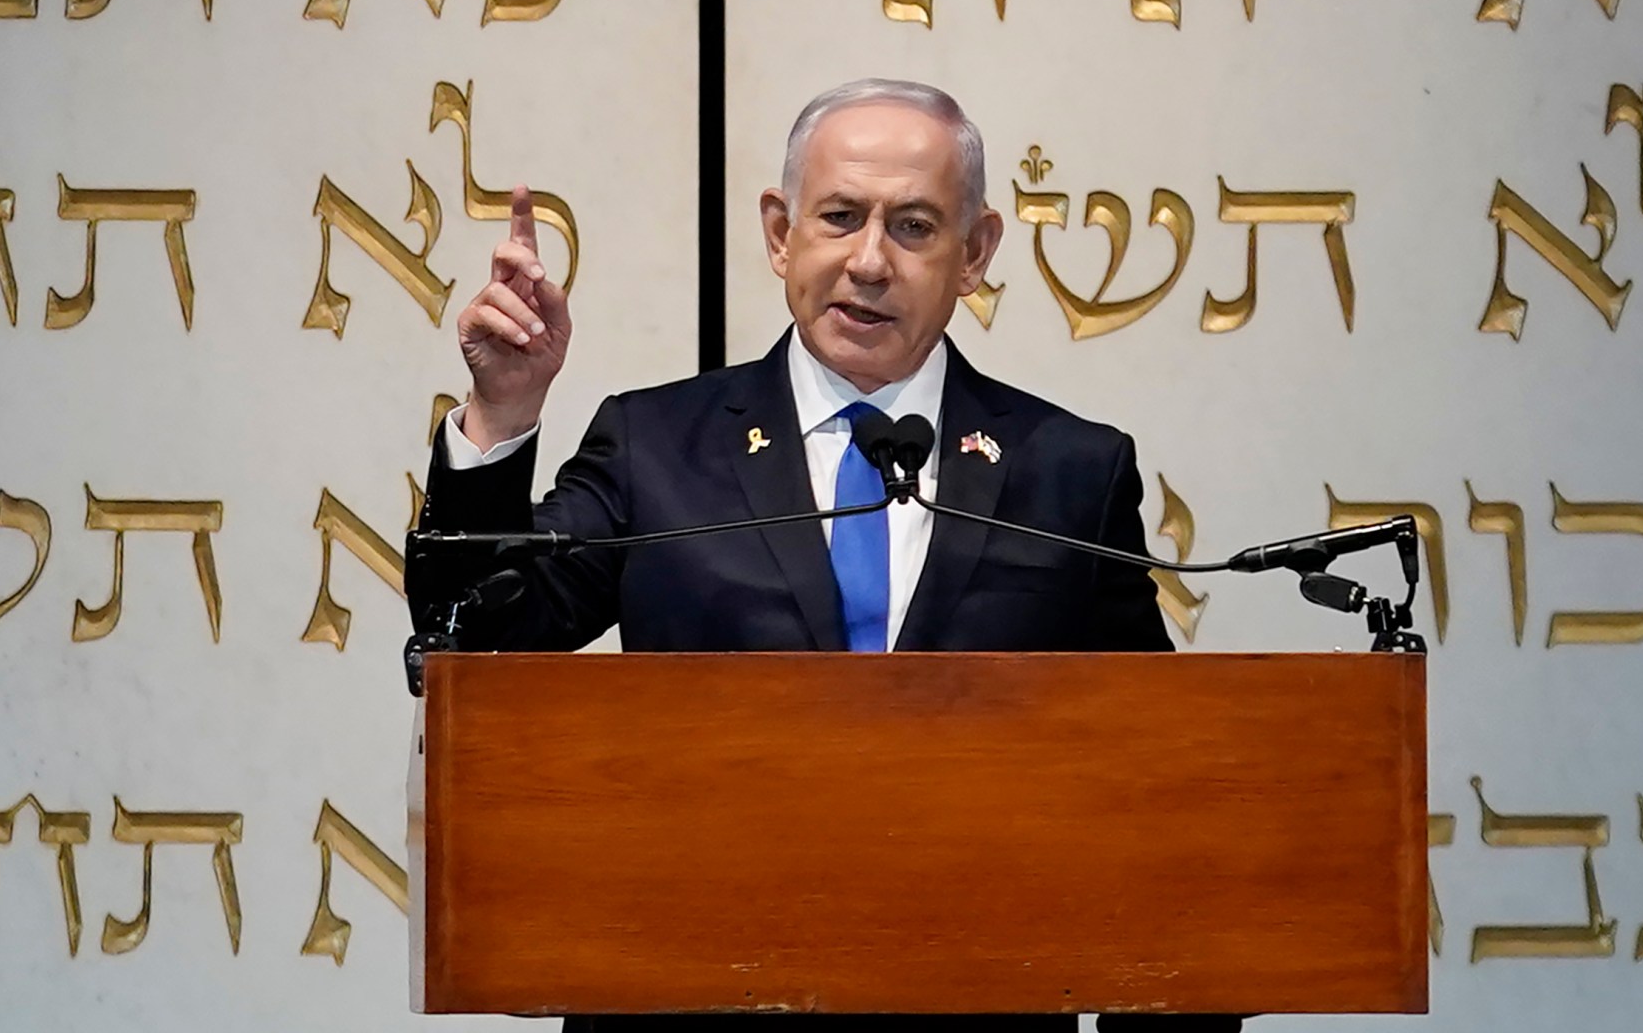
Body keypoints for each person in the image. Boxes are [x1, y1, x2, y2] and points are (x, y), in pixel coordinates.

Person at [418, 79, 1234, 1032]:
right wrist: (502, 418)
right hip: (692, 1000)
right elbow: (473, 644)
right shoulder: (657, 445)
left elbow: (1154, 789)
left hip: (974, 1008)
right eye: (840, 218)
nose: (870, 261)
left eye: (916, 227)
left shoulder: (1072, 471)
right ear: (780, 233)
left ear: (975, 254)